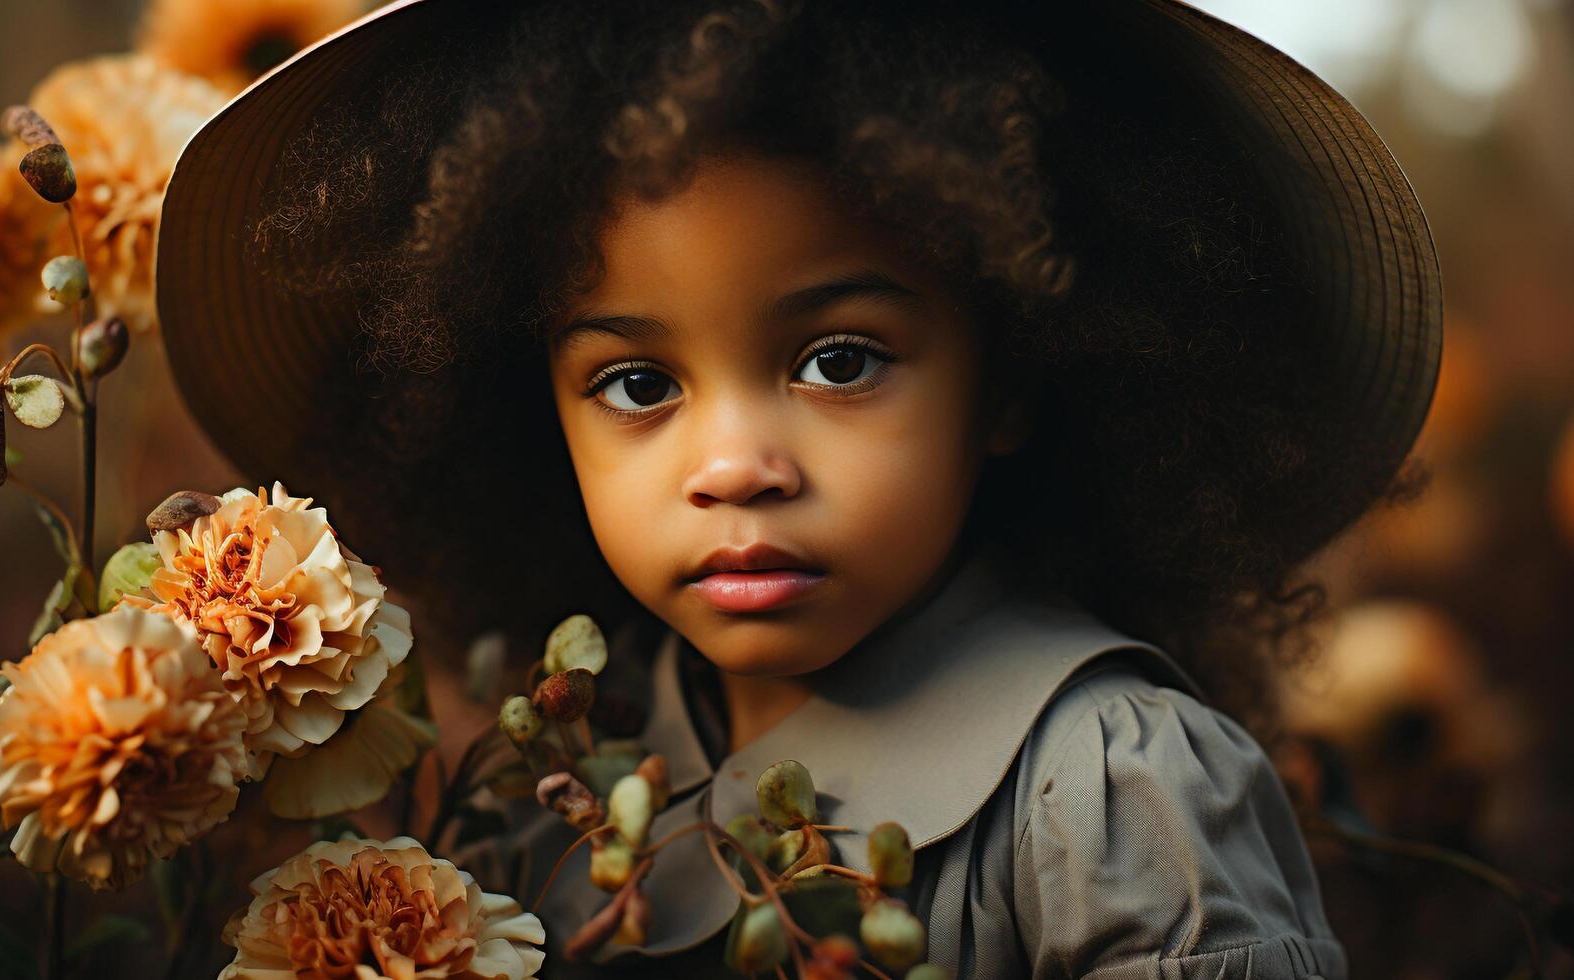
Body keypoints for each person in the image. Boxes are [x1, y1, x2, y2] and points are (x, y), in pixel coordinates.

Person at [154, 0, 1442, 975]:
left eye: (839, 361)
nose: (733, 468)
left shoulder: (1114, 795)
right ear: (525, 408)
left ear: (1013, 380)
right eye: (637, 384)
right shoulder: (541, 799)